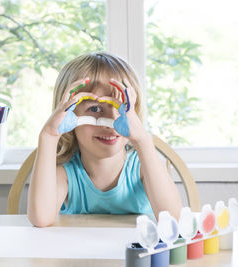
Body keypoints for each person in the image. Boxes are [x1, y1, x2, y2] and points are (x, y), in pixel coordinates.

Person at [27, 52, 182, 227]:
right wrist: (48, 136)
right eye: (95, 109)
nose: (111, 123)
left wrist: (142, 140)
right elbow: (41, 218)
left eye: (121, 108)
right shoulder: (66, 173)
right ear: (67, 115)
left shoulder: (142, 167)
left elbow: (173, 218)